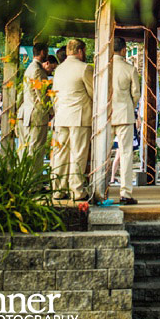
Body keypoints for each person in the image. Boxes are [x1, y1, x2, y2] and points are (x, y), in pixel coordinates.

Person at [51, 38, 94, 201]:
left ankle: (58, 189)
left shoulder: (59, 70)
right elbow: (93, 92)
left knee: (61, 153)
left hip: (61, 116)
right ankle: (76, 190)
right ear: (81, 51)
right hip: (79, 117)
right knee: (78, 154)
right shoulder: (85, 68)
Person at [110, 36, 141, 205]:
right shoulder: (130, 69)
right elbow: (136, 93)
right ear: (123, 50)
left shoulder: (104, 67)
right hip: (125, 114)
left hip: (106, 115)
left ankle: (99, 189)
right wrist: (131, 105)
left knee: (102, 153)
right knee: (126, 153)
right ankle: (125, 193)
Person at [17, 41, 52, 177]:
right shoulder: (37, 70)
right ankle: (32, 183)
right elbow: (41, 94)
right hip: (36, 114)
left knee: (26, 148)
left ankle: (24, 178)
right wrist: (51, 111)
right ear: (43, 52)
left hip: (26, 113)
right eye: (47, 52)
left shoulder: (29, 68)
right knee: (36, 149)